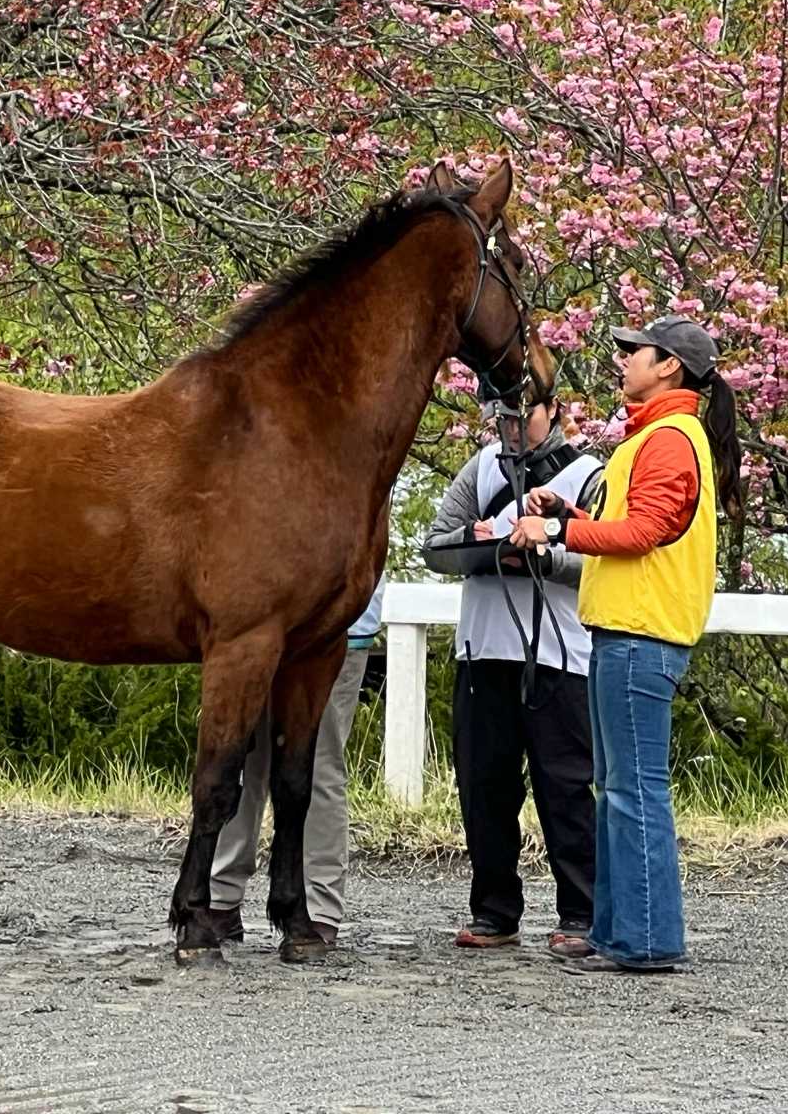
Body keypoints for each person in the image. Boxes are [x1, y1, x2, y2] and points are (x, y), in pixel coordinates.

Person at [508, 315, 743, 974]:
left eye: (634, 352)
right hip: (630, 631)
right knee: (617, 788)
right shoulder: (660, 437)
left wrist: (557, 534)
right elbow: (637, 529)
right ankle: (617, 932)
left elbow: (644, 533)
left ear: (668, 366)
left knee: (632, 791)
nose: (623, 360)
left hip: (640, 633)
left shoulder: (668, 439)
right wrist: (571, 517)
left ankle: (644, 941)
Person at [422, 390, 603, 955]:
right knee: (484, 787)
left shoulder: (588, 474)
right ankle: (494, 910)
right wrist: (486, 547)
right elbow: (436, 545)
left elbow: (603, 557)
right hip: (482, 649)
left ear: (554, 411)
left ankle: (582, 912)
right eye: (499, 417)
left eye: (521, 416)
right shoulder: (480, 468)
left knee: (566, 789)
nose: (510, 427)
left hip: (560, 653)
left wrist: (544, 551)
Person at [206, 576, 385, 949]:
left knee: (318, 761)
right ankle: (221, 895)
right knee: (245, 755)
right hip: (261, 623)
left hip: (333, 630)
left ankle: (320, 905)